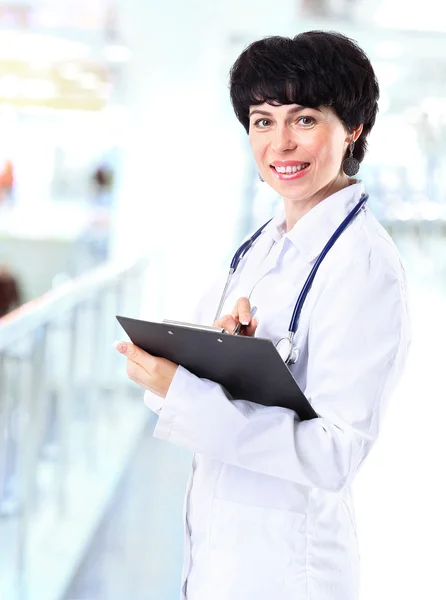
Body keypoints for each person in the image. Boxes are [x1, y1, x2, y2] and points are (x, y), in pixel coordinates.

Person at [114, 31, 411, 600]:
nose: (280, 144)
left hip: (289, 572)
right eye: (262, 120)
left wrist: (186, 393)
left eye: (304, 120)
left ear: (353, 128)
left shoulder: (365, 267)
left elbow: (335, 454)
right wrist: (213, 358)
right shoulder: (261, 245)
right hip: (222, 555)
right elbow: (216, 378)